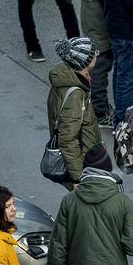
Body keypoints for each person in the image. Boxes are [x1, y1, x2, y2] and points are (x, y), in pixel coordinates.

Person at [47, 37, 106, 189]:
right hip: (84, 165)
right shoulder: (75, 94)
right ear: (84, 62)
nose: (97, 55)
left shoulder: (68, 77)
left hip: (85, 159)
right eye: (94, 53)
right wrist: (78, 179)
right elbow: (67, 139)